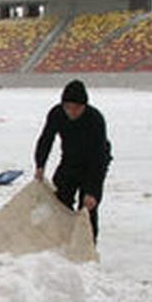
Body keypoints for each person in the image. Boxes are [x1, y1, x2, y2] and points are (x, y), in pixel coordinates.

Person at [34, 80, 112, 241]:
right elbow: (46, 139)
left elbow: (99, 157)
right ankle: (61, 241)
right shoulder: (57, 113)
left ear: (84, 106)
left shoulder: (95, 119)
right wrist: (40, 165)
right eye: (68, 107)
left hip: (94, 163)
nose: (72, 112)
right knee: (59, 201)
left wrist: (92, 191)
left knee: (88, 209)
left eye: (76, 108)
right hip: (70, 161)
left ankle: (86, 250)